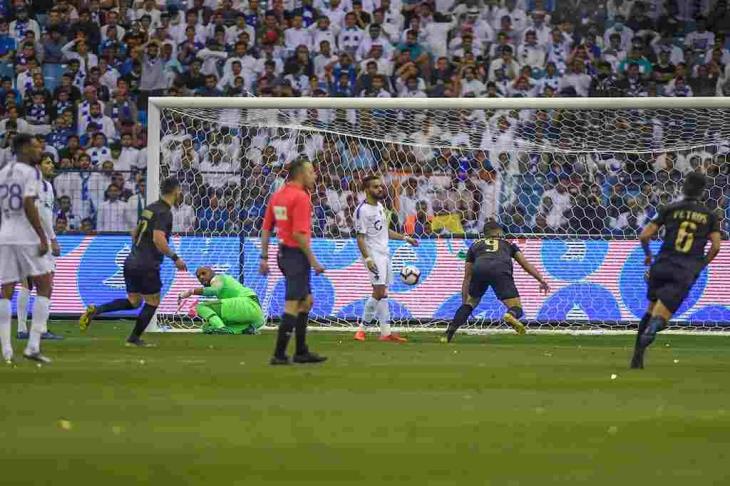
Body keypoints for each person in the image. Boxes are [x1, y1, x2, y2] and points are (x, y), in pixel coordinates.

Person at [78, 177, 188, 346]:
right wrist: (175, 258)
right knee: (153, 301)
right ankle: (134, 338)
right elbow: (159, 239)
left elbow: (134, 232)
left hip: (131, 261)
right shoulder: (164, 212)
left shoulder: (149, 208)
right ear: (175, 191)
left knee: (134, 302)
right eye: (180, 190)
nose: (181, 193)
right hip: (147, 264)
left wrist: (138, 251)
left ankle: (97, 310)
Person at [632, 173, 722, 369]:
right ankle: (654, 328)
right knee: (661, 316)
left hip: (662, 264)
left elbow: (645, 235)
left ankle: (637, 359)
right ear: (702, 191)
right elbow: (716, 246)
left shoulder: (669, 208)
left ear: (684, 187)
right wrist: (702, 264)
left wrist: (648, 255)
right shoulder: (709, 216)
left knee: (650, 308)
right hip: (684, 269)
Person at [259, 158, 327, 365]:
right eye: (312, 172)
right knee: (292, 305)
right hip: (296, 255)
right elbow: (299, 235)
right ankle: (279, 355)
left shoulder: (278, 196)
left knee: (306, 302)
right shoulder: (301, 197)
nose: (315, 176)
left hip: (283, 253)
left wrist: (264, 257)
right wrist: (313, 261)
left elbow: (266, 228)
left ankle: (301, 351)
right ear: (301, 174)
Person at [444, 221, 550, 342]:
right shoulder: (508, 243)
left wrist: (464, 304)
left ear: (485, 234)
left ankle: (449, 332)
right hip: (500, 269)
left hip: (479, 269)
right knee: (516, 307)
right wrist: (541, 279)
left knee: (470, 303)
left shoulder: (474, 245)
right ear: (499, 232)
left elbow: (467, 276)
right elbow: (525, 264)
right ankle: (510, 315)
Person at [0, 134, 54, 363]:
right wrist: (43, 236)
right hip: (26, 234)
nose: (38, 149)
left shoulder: (3, 172)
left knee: (7, 289)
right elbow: (28, 203)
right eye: (34, 146)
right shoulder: (31, 172)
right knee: (45, 285)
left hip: (5, 233)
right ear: (23, 149)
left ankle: (6, 348)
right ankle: (33, 345)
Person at [353, 175, 418, 342]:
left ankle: (386, 333)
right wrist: (368, 259)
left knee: (383, 293)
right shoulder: (362, 210)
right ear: (367, 190)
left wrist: (405, 238)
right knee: (379, 291)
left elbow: (384, 232)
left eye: (380, 186)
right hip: (373, 254)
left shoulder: (381, 206)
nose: (380, 189)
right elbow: (360, 237)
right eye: (375, 187)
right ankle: (361, 330)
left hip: (384, 252)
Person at [16, 155, 63, 340]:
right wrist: (52, 239)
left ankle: (21, 328)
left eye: (52, 162)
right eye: (47, 162)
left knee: (27, 284)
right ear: (38, 166)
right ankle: (40, 328)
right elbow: (42, 214)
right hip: (38, 239)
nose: (51, 165)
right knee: (46, 283)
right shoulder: (42, 186)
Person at [178, 266, 265, 335]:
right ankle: (245, 330)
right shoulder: (225, 281)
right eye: (198, 276)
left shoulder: (218, 278)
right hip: (257, 318)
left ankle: (221, 328)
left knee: (201, 306)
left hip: (247, 304)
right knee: (207, 327)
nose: (201, 277)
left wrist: (191, 291)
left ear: (212, 273)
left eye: (204, 273)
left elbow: (214, 290)